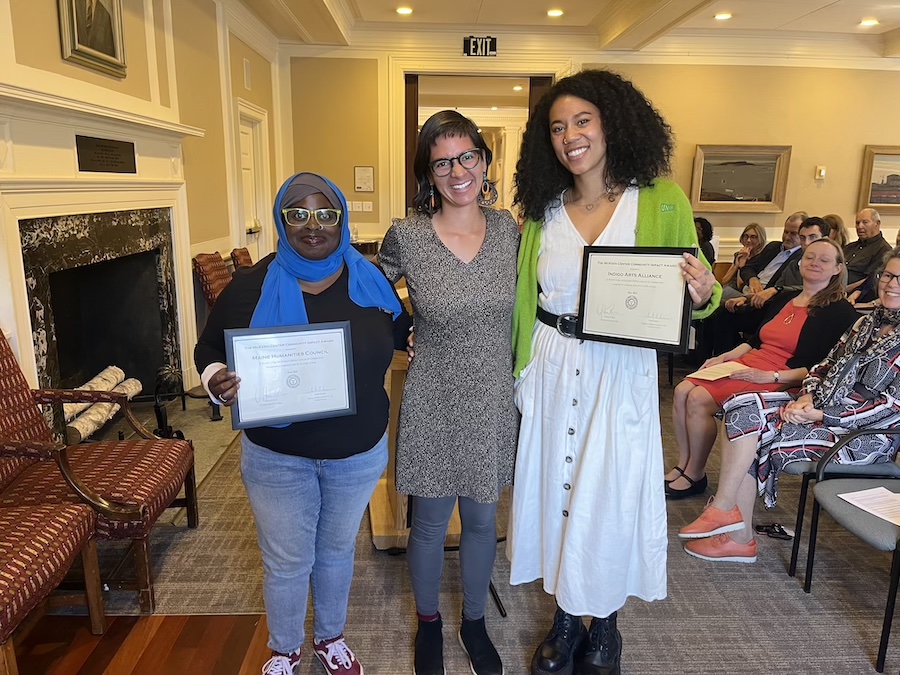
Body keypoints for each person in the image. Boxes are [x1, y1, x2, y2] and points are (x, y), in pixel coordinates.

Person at [508, 68, 719, 675]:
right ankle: (567, 616)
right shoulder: (543, 209)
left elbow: (700, 289)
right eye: (556, 128)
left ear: (612, 123)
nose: (570, 136)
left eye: (582, 120)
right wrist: (518, 370)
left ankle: (607, 623)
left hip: (619, 366)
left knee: (609, 491)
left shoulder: (660, 199)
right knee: (559, 488)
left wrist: (705, 289)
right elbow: (527, 295)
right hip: (551, 362)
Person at [194, 172, 410, 675]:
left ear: (341, 219)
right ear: (281, 220)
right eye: (298, 214)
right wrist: (214, 378)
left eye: (325, 214)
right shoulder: (250, 286)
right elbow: (207, 349)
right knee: (287, 561)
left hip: (357, 454)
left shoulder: (372, 281)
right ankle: (286, 648)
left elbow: (401, 334)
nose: (312, 226)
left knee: (335, 553)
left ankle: (330, 637)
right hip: (276, 458)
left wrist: (416, 342)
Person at [378, 110, 519, 675]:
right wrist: (400, 327)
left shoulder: (510, 229)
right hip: (432, 394)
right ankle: (430, 622)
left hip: (490, 394)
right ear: (427, 173)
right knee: (431, 523)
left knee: (483, 522)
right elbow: (373, 291)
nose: (457, 170)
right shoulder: (406, 235)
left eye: (467, 156)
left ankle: (476, 622)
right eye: (442, 161)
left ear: (484, 162)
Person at [679, 246, 900, 562]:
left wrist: (823, 413)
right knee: (742, 407)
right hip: (822, 406)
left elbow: (890, 406)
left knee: (756, 433)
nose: (892, 284)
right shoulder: (867, 323)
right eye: (889, 275)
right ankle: (727, 519)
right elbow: (825, 365)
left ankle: (735, 531)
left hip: (867, 436)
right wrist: (809, 393)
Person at [666, 238, 858, 499]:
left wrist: (770, 376)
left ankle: (696, 473)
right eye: (810, 257)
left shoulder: (840, 311)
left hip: (782, 374)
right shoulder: (787, 298)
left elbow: (821, 368)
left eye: (824, 260)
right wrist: (725, 357)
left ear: (837, 268)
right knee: (683, 389)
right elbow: (756, 340)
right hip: (753, 361)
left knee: (698, 398)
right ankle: (684, 463)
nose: (814, 263)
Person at [845, 208, 891, 304]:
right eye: (857, 223)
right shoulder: (849, 247)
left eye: (865, 222)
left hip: (855, 298)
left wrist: (844, 289)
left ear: (877, 224)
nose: (860, 226)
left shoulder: (884, 250)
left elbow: (870, 280)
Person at [719, 222, 766, 297]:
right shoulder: (738, 254)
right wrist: (736, 265)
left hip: (744, 294)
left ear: (760, 239)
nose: (748, 240)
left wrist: (743, 264)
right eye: (746, 236)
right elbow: (724, 281)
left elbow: (740, 285)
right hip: (730, 289)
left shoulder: (761, 257)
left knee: (724, 293)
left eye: (753, 237)